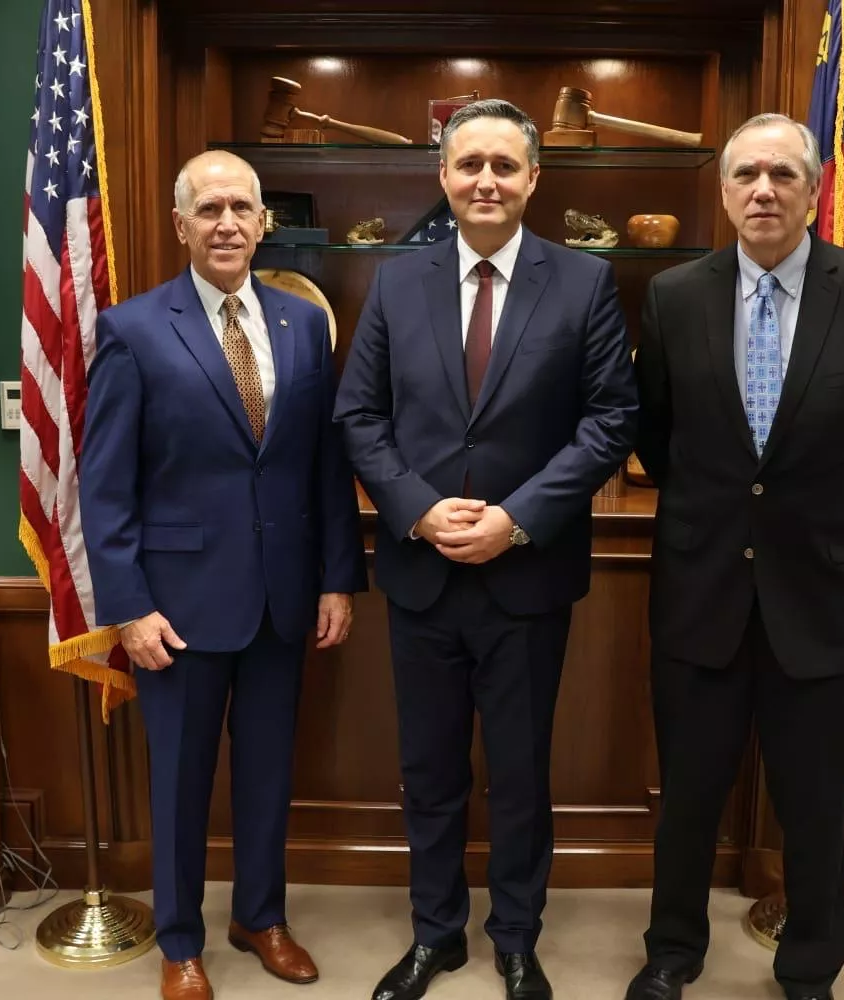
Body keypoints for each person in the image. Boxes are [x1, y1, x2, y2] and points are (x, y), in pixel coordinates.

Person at [625, 113, 844, 1000]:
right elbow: (656, 433)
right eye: (746, 175)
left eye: (782, 175)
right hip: (702, 592)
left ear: (814, 191)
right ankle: (671, 952)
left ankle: (809, 966)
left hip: (824, 597)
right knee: (689, 798)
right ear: (724, 191)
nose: (763, 190)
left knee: (813, 803)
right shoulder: (675, 297)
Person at [334, 99, 637, 1000]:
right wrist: (420, 510)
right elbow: (359, 415)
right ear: (444, 176)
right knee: (428, 772)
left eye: (505, 165)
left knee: (519, 774)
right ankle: (436, 934)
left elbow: (610, 420)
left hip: (528, 575)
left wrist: (517, 517)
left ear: (534, 178)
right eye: (470, 164)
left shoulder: (584, 282)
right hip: (422, 575)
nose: (486, 181)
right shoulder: (397, 283)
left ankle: (515, 938)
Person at [80, 149, 366, 1000]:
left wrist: (338, 578)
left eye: (242, 208)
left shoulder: (304, 324)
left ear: (262, 221)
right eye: (210, 210)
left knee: (269, 771)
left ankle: (260, 917)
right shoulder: (133, 329)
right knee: (180, 780)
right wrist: (129, 607)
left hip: (283, 596)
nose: (228, 224)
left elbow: (325, 466)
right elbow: (105, 486)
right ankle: (180, 941)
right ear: (181, 225)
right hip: (177, 608)